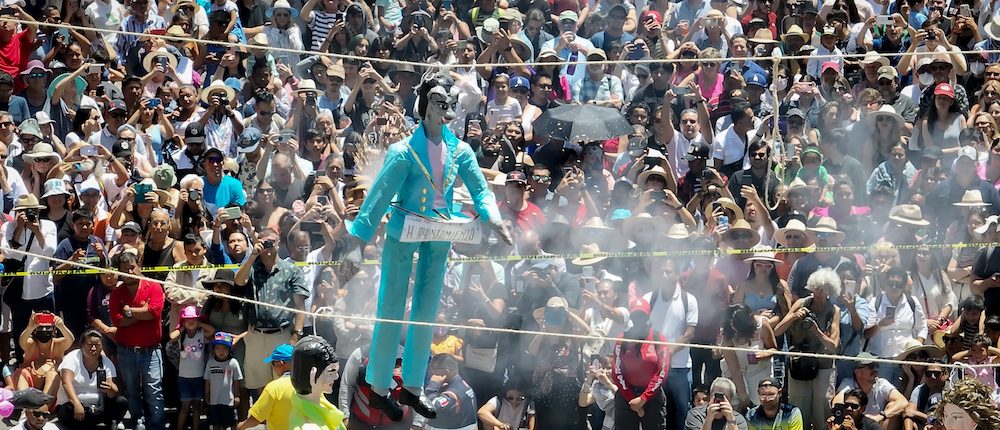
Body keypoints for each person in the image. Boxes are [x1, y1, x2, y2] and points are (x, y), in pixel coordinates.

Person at [342, 71, 511, 421]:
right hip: (404, 231)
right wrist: (358, 241)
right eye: (436, 101)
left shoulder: (460, 150)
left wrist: (492, 215)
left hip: (440, 233)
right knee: (390, 308)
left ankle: (415, 387)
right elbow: (378, 196)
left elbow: (479, 188)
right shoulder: (402, 151)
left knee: (425, 314)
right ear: (423, 106)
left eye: (447, 102)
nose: (442, 107)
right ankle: (378, 387)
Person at [108, 251, 165, 430]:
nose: (130, 272)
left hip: (151, 350)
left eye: (132, 267)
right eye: (125, 270)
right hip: (126, 351)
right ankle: (137, 420)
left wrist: (129, 311)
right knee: (131, 391)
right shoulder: (117, 293)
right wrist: (142, 312)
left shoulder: (154, 287)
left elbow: (154, 313)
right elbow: (118, 321)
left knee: (154, 391)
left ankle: (156, 424)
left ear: (138, 266)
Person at [55, 329, 127, 429]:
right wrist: (77, 404)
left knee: (121, 402)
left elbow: (111, 392)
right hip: (72, 405)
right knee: (70, 411)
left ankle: (106, 423)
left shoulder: (106, 362)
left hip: (96, 406)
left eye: (97, 345)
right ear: (82, 345)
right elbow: (66, 383)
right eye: (90, 345)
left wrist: (112, 389)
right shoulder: (72, 358)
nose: (93, 348)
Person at [237, 344, 294, 430]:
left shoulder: (274, 388)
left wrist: (240, 426)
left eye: (272, 363)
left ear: (279, 363)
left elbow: (256, 418)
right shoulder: (310, 384)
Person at [423, 354, 477, 430]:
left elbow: (432, 407)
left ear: (446, 371)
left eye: (434, 368)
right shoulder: (462, 384)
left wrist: (433, 386)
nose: (431, 371)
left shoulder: (454, 393)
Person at [204, 332, 243, 430]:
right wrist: (207, 394)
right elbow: (207, 379)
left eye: (224, 348)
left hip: (228, 400)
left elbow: (237, 380)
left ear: (229, 349)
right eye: (217, 348)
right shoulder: (210, 362)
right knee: (215, 423)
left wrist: (237, 395)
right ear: (214, 349)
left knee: (231, 422)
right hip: (214, 400)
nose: (221, 351)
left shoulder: (233, 363)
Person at [683, 377, 749, 430]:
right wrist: (709, 418)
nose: (719, 400)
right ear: (710, 396)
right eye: (716, 395)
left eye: (723, 397)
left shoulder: (738, 419)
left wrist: (731, 420)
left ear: (730, 399)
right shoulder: (695, 415)